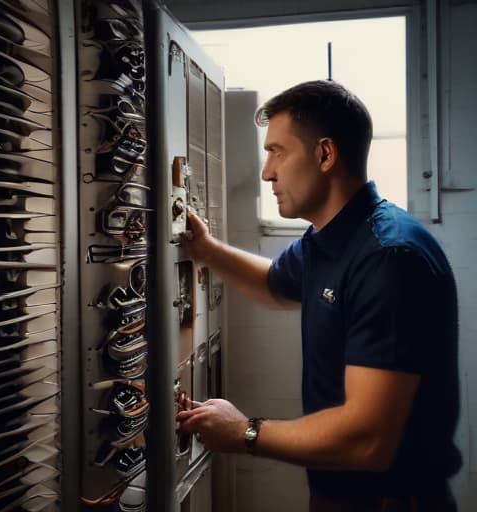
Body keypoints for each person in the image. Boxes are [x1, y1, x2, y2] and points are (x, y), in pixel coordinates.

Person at [176, 80, 461, 511]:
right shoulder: (328, 238)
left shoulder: (389, 258)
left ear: (325, 154)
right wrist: (205, 249)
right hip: (336, 493)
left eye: (277, 152)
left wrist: (243, 432)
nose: (266, 172)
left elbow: (369, 440)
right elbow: (274, 283)